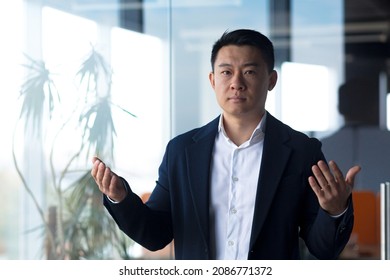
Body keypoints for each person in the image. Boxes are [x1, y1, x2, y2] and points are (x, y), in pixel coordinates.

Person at [91, 29, 361, 260]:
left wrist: (334, 211)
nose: (237, 83)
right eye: (226, 72)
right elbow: (156, 234)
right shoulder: (182, 151)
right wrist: (121, 198)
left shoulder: (302, 151)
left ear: (271, 80)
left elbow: (323, 248)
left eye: (250, 72)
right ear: (212, 80)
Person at [321, 78, 390, 193]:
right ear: (375, 106)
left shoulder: (321, 146)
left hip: (336, 210)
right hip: (384, 209)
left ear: (339, 108)